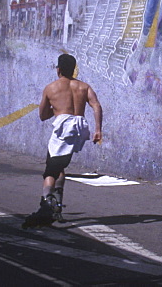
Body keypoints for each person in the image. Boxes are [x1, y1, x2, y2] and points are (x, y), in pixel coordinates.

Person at [26, 53, 102, 226]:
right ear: (73, 69)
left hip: (64, 128)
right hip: (79, 128)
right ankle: (57, 205)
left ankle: (45, 204)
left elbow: (43, 115)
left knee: (50, 170)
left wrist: (57, 109)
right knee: (60, 166)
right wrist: (98, 129)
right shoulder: (84, 87)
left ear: (58, 69)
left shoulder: (51, 88)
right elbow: (96, 105)